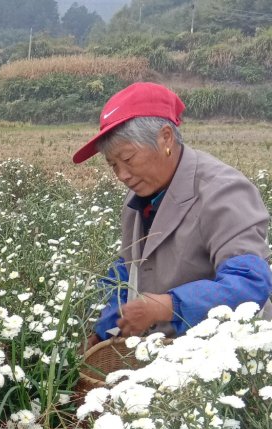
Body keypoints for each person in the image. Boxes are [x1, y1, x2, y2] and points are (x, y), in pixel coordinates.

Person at [75, 82, 272, 348]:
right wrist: (102, 332)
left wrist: (167, 305)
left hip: (228, 357)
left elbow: (250, 284)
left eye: (128, 159)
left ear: (165, 138)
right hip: (167, 355)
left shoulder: (223, 192)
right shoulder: (140, 197)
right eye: (113, 165)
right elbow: (128, 269)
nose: (122, 175)